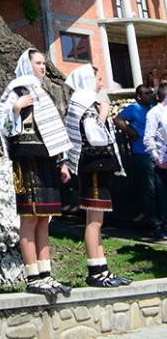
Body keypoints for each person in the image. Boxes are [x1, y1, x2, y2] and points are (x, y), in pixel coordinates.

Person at [0, 48, 72, 296]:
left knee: (44, 218)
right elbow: (5, 128)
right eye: (38, 63)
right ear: (27, 65)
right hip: (26, 159)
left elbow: (53, 130)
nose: (42, 67)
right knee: (29, 216)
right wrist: (16, 108)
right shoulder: (16, 90)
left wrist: (62, 161)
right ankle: (32, 276)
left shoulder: (43, 93)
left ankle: (46, 274)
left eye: (43, 63)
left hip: (46, 159)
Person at [65, 65, 131, 288]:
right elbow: (94, 136)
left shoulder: (86, 101)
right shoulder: (82, 101)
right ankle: (95, 271)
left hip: (97, 165)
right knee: (94, 220)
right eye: (98, 78)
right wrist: (103, 114)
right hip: (91, 164)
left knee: (98, 219)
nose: (101, 83)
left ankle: (102, 269)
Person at [114, 85, 164, 239]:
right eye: (146, 93)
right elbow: (117, 119)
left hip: (159, 154)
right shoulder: (134, 108)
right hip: (142, 153)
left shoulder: (155, 107)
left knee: (161, 189)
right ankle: (155, 226)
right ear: (139, 96)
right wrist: (131, 131)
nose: (150, 95)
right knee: (149, 190)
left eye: (151, 93)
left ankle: (163, 223)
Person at [143, 81, 167, 228]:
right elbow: (148, 137)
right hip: (163, 160)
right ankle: (163, 225)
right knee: (163, 195)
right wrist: (157, 159)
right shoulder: (154, 113)